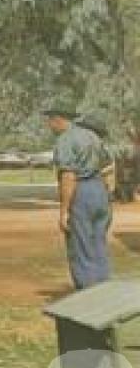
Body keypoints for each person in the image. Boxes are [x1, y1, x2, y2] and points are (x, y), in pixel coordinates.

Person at [46, 107, 113, 289]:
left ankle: (87, 293)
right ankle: (103, 288)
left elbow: (68, 176)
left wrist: (64, 211)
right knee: (98, 242)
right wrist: (106, 193)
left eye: (49, 121)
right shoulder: (93, 136)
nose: (48, 126)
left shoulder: (65, 139)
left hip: (80, 191)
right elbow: (108, 166)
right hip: (99, 190)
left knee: (80, 244)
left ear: (58, 119)